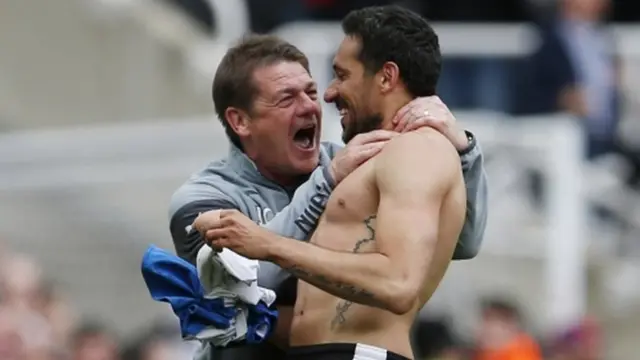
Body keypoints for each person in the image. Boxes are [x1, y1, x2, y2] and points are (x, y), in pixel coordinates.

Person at [170, 31, 488, 360]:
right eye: (286, 98)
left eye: (310, 92)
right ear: (240, 121)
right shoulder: (201, 198)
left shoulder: (355, 163)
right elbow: (238, 285)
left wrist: (463, 151)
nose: (310, 106)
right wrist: (326, 182)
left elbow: (463, 242)